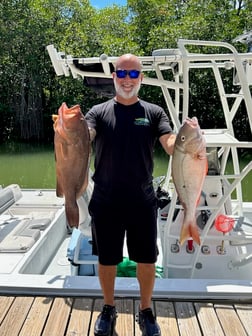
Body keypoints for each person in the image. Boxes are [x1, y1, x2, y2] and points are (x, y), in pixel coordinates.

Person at [85, 53, 176, 336]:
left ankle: (146, 310)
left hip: (142, 199)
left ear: (142, 78)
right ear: (113, 77)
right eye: (121, 74)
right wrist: (70, 132)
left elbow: (170, 142)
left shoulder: (153, 112)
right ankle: (109, 308)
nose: (127, 79)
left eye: (133, 74)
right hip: (105, 199)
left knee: (147, 260)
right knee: (107, 260)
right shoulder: (97, 112)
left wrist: (185, 139)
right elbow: (84, 136)